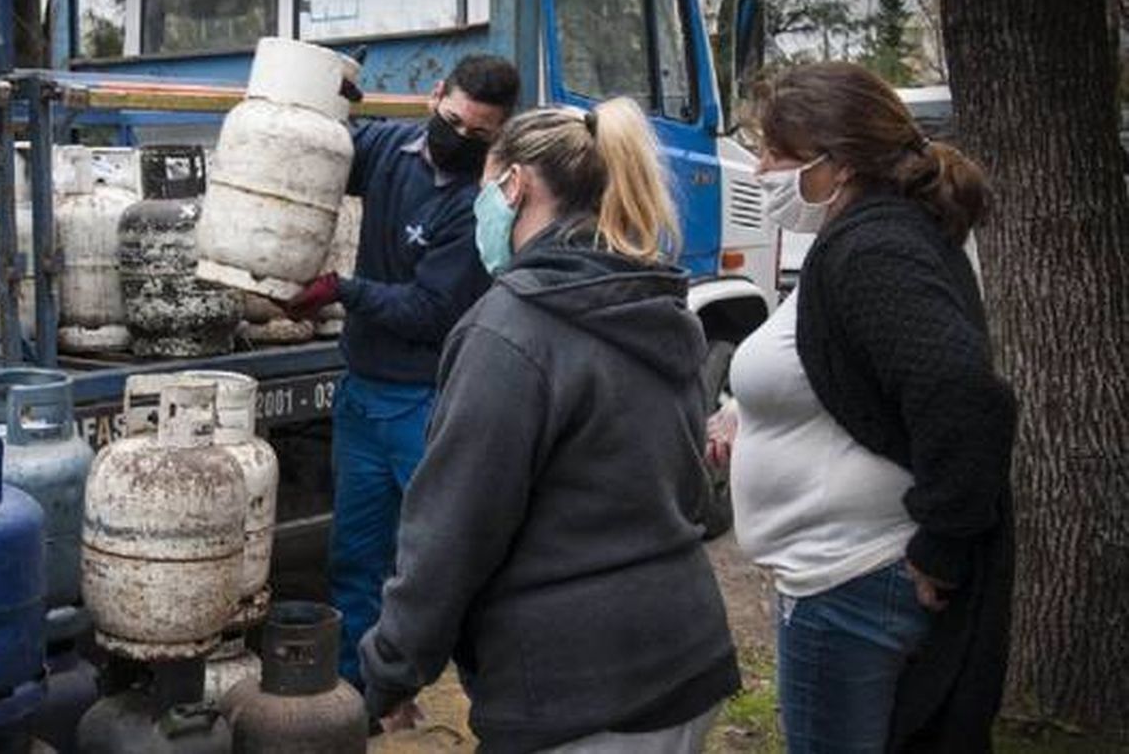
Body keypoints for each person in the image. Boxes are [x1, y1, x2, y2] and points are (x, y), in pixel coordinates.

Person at [357, 98, 741, 753]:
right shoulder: (653, 300)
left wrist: (391, 670)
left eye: (485, 191)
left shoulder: (510, 330)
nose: (481, 211)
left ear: (515, 186)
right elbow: (689, 491)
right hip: (688, 660)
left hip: (580, 691)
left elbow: (453, 529)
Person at [707, 61, 1017, 752]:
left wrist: (942, 543)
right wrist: (747, 418)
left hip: (851, 581)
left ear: (836, 164)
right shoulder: (872, 236)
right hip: (849, 577)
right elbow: (857, 373)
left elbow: (964, 396)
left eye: (775, 154)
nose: (759, 172)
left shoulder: (874, 247)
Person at [285, 54, 521, 687]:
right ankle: (359, 692)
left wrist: (341, 289)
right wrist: (325, 108)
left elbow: (428, 310)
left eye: (480, 134)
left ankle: (467, 688)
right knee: (354, 557)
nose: (461, 138)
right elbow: (323, 155)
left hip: (426, 404)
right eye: (454, 121)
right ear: (435, 96)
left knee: (439, 562)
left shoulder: (479, 208)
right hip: (362, 395)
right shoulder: (390, 147)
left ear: (500, 134)